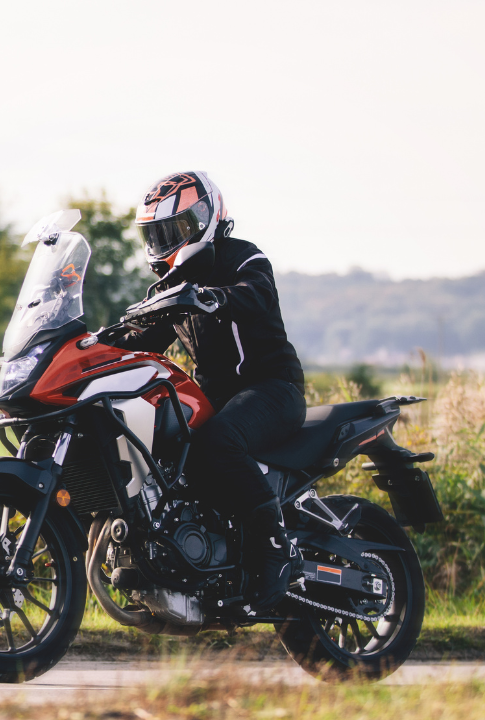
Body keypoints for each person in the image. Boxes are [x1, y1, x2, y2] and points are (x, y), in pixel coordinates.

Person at [116, 171, 306, 613]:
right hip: (218, 399)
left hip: (272, 388)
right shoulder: (174, 287)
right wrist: (95, 345)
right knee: (173, 452)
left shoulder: (243, 257)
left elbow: (256, 293)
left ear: (205, 217)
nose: (164, 243)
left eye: (174, 230)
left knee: (218, 442)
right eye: (156, 234)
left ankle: (275, 549)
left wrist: (215, 297)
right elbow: (146, 339)